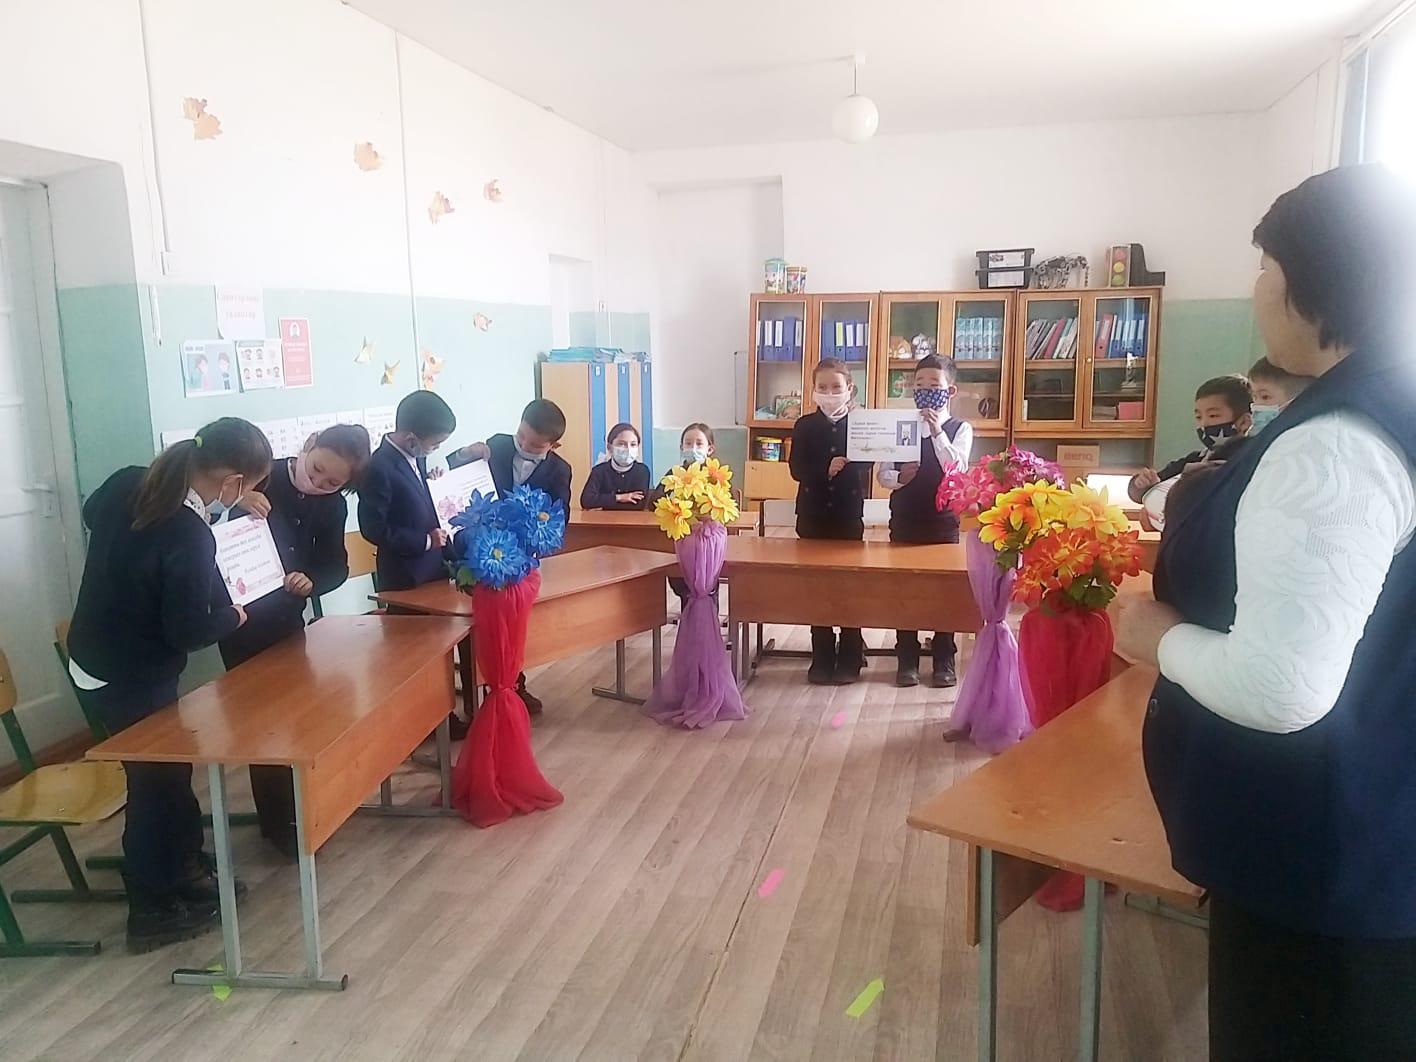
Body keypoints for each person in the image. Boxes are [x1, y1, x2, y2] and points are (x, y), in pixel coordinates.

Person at [1113, 164, 1416, 1061]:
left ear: (1306, 282)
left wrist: (1159, 638)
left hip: (1318, 861)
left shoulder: (1334, 444)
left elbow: (1283, 688)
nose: (1254, 290)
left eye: (1262, 268)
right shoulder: (1385, 400)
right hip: (1373, 818)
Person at [66, 417, 271, 953]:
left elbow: (92, 513)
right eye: (247, 488)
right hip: (129, 670)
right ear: (232, 482)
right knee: (155, 781)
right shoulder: (188, 532)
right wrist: (233, 616)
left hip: (94, 656)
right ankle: (152, 905)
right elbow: (189, 630)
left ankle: (183, 866)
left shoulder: (131, 480)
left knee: (172, 770)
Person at [216, 424, 371, 859]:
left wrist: (312, 580)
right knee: (261, 723)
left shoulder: (332, 505)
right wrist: (234, 501)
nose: (318, 483)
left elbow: (335, 565)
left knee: (298, 718)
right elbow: (203, 523)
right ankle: (276, 822)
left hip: (287, 619)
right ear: (308, 445)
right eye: (316, 469)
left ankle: (304, 810)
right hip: (242, 622)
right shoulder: (260, 478)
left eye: (332, 482)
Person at [449, 399, 573, 715]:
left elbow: (560, 519)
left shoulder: (560, 470)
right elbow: (454, 474)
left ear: (553, 445)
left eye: (535, 445)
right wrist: (466, 454)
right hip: (477, 554)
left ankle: (512, 685)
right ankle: (474, 697)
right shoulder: (498, 445)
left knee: (512, 626)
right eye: (521, 436)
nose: (524, 446)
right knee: (477, 624)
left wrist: (534, 534)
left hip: (519, 563)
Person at [876, 355, 972, 688]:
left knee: (943, 591)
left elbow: (956, 468)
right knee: (905, 590)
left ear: (950, 391)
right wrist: (898, 477)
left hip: (943, 522)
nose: (926, 391)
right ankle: (907, 656)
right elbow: (883, 475)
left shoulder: (960, 429)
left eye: (934, 385)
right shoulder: (899, 425)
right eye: (920, 385)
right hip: (905, 519)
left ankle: (944, 654)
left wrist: (936, 433)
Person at [790, 358, 872, 685]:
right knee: (817, 587)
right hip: (812, 518)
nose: (829, 392)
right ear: (813, 390)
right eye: (822, 387)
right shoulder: (805, 425)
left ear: (849, 388)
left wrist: (856, 455)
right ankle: (822, 653)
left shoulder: (860, 422)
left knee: (848, 585)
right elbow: (796, 469)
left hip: (847, 519)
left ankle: (851, 653)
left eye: (836, 387)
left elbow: (869, 462)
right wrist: (825, 469)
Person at [357, 390, 456, 593]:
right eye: (435, 444)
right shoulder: (378, 468)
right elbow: (373, 528)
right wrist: (426, 541)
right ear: (411, 440)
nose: (437, 448)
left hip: (435, 571)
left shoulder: (416, 455)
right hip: (406, 580)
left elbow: (409, 496)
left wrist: (430, 485)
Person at [1128, 374, 1253, 503]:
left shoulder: (1249, 464)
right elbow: (1144, 489)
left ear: (1244, 422)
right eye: (1199, 417)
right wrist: (1143, 483)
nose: (1203, 424)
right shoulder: (1196, 459)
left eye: (1213, 415)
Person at [580, 422, 651, 510]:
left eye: (633, 444)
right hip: (602, 518)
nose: (628, 449)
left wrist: (602, 502)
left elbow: (638, 505)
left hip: (632, 518)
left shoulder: (642, 471)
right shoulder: (599, 471)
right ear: (609, 447)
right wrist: (619, 497)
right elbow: (586, 501)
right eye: (621, 444)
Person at [1247, 355, 1312, 433]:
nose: (1256, 405)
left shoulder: (1305, 436)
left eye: (1265, 397)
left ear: (1295, 400)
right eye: (1254, 396)